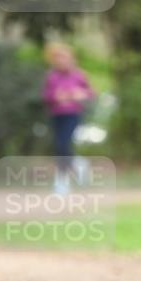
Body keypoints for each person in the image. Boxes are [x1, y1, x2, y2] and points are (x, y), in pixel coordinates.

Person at [42, 43, 95, 194]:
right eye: (57, 58)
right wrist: (56, 97)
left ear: (71, 58)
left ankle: (62, 181)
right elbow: (46, 96)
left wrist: (79, 94)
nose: (61, 61)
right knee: (60, 147)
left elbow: (90, 93)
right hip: (57, 115)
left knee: (63, 145)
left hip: (73, 114)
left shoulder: (78, 75)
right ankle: (78, 164)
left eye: (64, 57)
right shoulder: (52, 77)